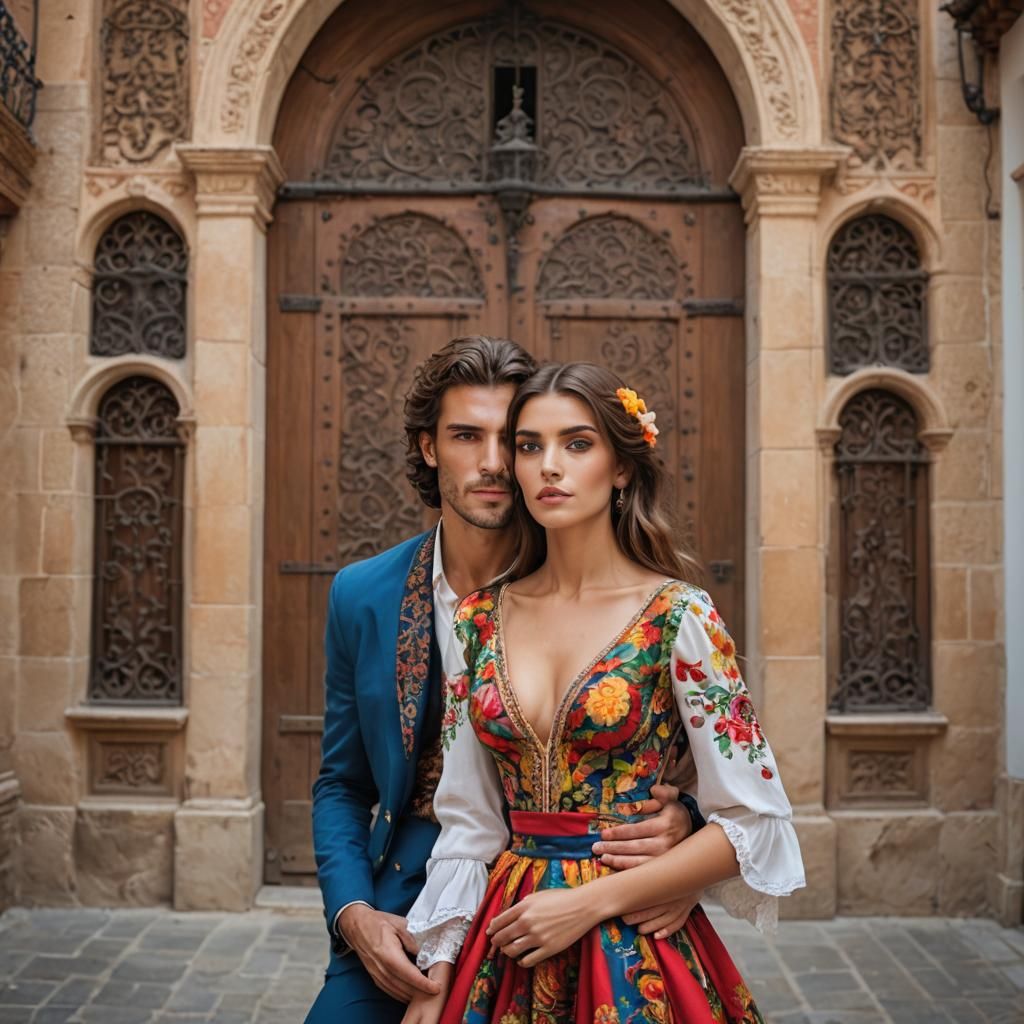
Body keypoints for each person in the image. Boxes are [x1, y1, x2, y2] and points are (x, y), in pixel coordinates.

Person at [306, 339, 704, 1024]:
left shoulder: (626, 598)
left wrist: (683, 829)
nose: (492, 463)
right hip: (407, 898)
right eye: (467, 436)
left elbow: (707, 767)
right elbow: (342, 782)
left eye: (510, 440)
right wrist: (354, 915)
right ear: (429, 448)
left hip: (584, 883)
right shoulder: (361, 596)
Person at [402, 362, 806, 1024]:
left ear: (621, 468)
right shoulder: (477, 620)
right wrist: (436, 974)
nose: (548, 467)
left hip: (633, 944)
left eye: (577, 444)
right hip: (507, 936)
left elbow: (755, 821)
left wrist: (591, 902)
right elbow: (469, 823)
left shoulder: (680, 616)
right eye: (530, 446)